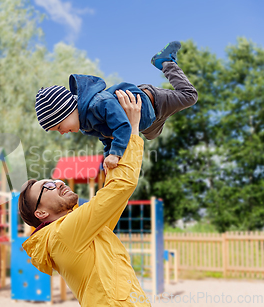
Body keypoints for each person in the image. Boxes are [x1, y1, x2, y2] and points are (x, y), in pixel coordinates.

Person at [19, 90, 150, 306]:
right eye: (48, 186)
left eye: (55, 180)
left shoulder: (82, 230)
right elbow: (121, 187)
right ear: (41, 213)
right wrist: (133, 130)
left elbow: (114, 196)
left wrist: (115, 145)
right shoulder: (63, 234)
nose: (59, 182)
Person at [35, 41, 198, 173]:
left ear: (67, 111)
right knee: (152, 136)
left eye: (58, 127)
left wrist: (115, 154)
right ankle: (170, 111)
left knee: (190, 96)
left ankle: (165, 61)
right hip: (149, 122)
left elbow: (122, 126)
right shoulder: (86, 126)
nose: (62, 132)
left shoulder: (99, 103)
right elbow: (107, 139)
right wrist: (109, 159)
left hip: (154, 101)